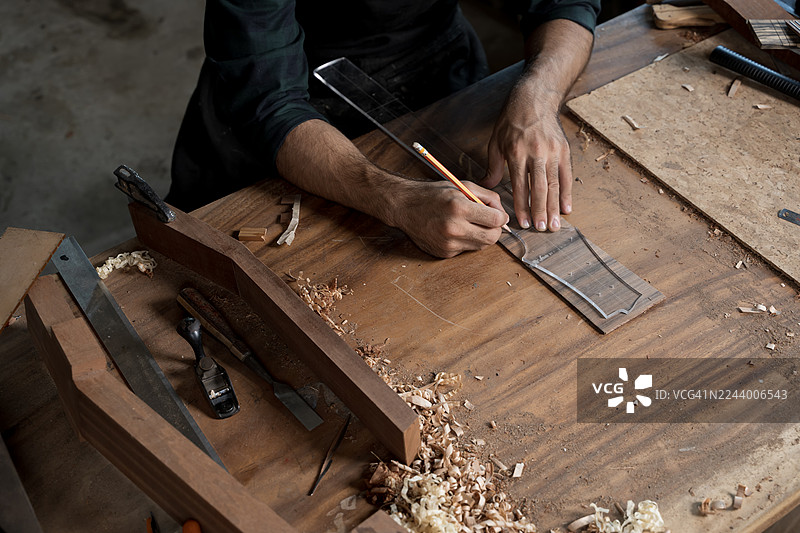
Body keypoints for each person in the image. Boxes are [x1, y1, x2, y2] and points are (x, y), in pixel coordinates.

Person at [166, 0, 600, 258]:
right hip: (283, 101)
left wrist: (538, 97)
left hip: (436, 67)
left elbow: (563, 3)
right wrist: (398, 200)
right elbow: (269, 101)